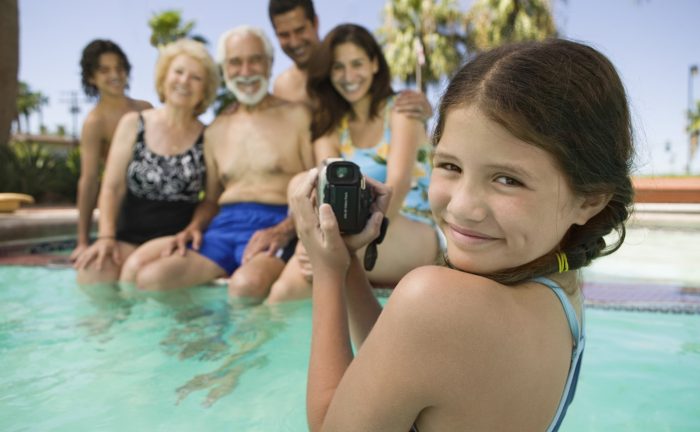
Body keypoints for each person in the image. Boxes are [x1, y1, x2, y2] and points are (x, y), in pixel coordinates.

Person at [290, 38, 634, 431]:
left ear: (588, 200)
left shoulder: (434, 300)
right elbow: (401, 364)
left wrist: (327, 273)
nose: (462, 207)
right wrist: (350, 264)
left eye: (508, 180)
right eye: (450, 166)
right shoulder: (562, 288)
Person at [119, 26, 314, 300]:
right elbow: (211, 199)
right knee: (153, 279)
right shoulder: (215, 130)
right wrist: (194, 227)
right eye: (235, 62)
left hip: (278, 221)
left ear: (269, 64)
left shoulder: (298, 117)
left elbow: (316, 185)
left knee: (245, 286)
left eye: (255, 60)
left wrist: (284, 230)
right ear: (224, 70)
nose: (245, 71)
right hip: (224, 226)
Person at [267, 24, 440, 303]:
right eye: (338, 67)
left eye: (357, 63)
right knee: (284, 292)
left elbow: (398, 185)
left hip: (407, 225)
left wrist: (325, 247)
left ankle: (321, 254)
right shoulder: (333, 124)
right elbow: (319, 185)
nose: (348, 76)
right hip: (351, 230)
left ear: (374, 64)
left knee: (321, 261)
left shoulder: (401, 110)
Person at [74, 38, 220, 285]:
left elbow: (212, 200)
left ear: (205, 90)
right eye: (179, 72)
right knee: (91, 275)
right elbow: (111, 187)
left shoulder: (210, 137)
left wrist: (194, 227)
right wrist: (105, 237)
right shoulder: (133, 123)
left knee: (138, 276)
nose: (184, 81)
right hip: (127, 236)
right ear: (164, 77)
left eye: (195, 77)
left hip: (175, 241)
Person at [267, 0, 431, 121]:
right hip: (314, 167)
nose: (294, 42)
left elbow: (383, 102)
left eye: (300, 30)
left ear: (315, 23)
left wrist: (423, 107)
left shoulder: (346, 64)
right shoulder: (282, 86)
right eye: (284, 35)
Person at [70, 40, 152, 262]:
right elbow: (88, 181)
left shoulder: (146, 109)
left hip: (155, 203)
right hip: (123, 210)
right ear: (91, 77)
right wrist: (82, 241)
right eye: (104, 70)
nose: (115, 74)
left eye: (119, 67)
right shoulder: (95, 123)